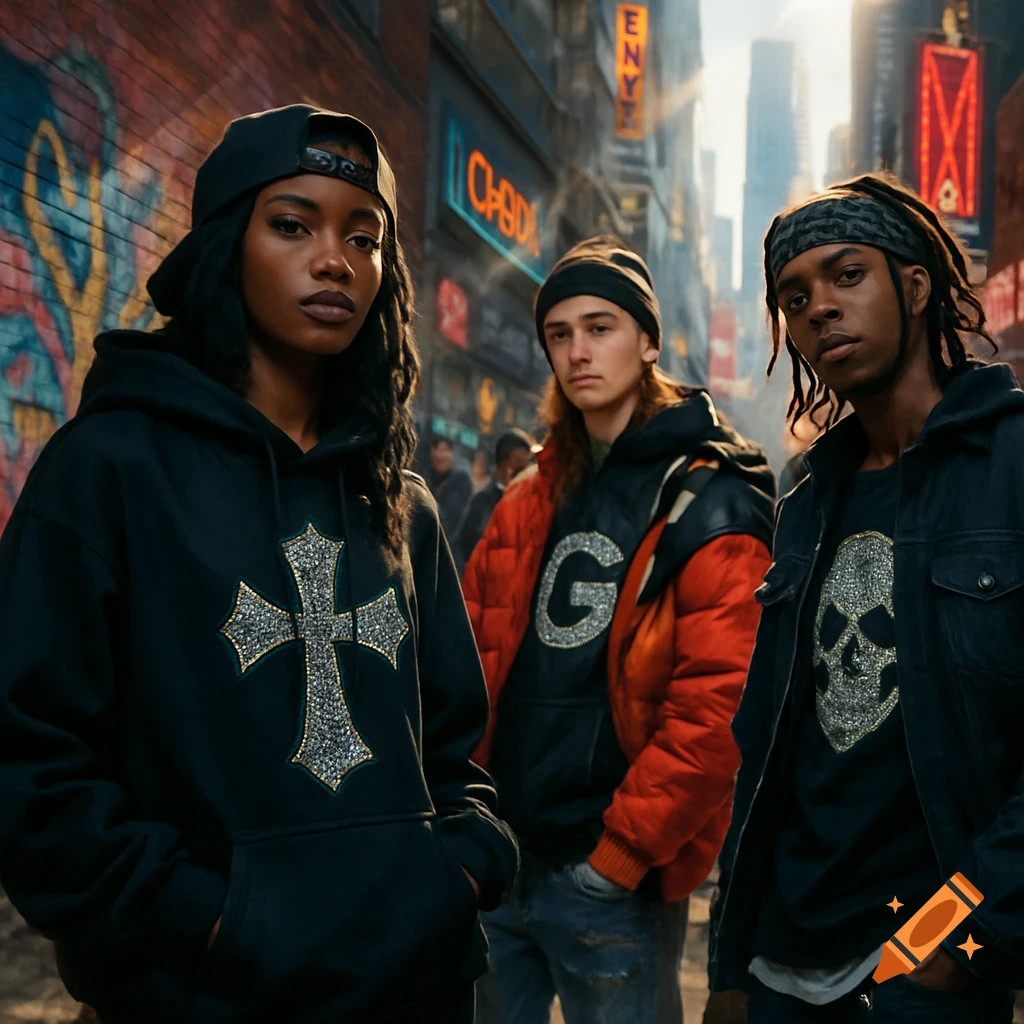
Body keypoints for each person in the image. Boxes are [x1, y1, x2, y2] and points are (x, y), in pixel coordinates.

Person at [0, 104, 518, 1024]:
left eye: (365, 238)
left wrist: (461, 870)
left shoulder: (405, 507)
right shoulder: (107, 472)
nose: (335, 261)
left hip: (414, 996)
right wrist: (211, 921)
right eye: (292, 224)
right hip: (197, 998)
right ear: (226, 244)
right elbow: (30, 763)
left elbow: (450, 748)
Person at [704, 173, 1024, 1024]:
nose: (819, 309)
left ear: (914, 286)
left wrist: (951, 941)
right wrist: (735, 961)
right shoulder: (806, 497)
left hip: (917, 971)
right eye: (794, 295)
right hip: (783, 960)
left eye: (848, 275)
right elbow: (769, 743)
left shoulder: (1013, 465)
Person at [462, 236, 776, 1024]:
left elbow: (717, 708)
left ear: (647, 341)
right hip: (500, 866)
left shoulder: (710, 499)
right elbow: (465, 659)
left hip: (609, 880)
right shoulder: (528, 497)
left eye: (600, 327)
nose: (578, 351)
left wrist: (622, 856)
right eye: (559, 334)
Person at [454, 429, 539, 571]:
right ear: (502, 465)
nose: (524, 475)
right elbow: (461, 548)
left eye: (526, 467)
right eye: (518, 468)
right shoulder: (483, 502)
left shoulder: (532, 507)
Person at [429, 436, 474, 542]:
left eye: (444, 450)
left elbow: (449, 525)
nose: (440, 456)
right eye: (437, 450)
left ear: (452, 453)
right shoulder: (426, 477)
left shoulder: (460, 480)